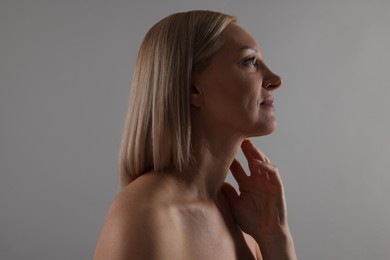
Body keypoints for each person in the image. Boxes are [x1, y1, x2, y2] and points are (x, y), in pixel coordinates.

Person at [94, 10, 297, 260]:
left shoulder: (247, 222)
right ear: (193, 89)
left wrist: (275, 236)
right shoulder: (146, 215)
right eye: (249, 61)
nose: (275, 79)